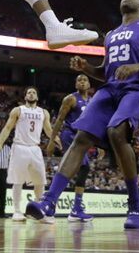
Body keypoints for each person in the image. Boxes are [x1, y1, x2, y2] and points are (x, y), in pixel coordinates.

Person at [26, 0, 139, 230]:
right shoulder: (111, 35)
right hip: (110, 89)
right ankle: (49, 202)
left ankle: (136, 205)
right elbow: (106, 72)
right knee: (81, 137)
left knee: (117, 132)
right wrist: (87, 67)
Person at [0, 87, 54, 221]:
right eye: (29, 92)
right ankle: (16, 211)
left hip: (35, 148)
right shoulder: (18, 110)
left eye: (34, 92)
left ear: (37, 97)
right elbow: (8, 127)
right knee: (17, 180)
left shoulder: (43, 112)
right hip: (19, 147)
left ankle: (39, 210)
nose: (31, 94)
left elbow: (49, 130)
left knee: (40, 181)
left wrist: (56, 139)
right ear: (25, 96)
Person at [47, 74, 95, 222]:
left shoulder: (92, 101)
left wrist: (98, 144)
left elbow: (93, 123)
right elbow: (60, 119)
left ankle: (72, 206)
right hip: (69, 135)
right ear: (76, 84)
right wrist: (51, 141)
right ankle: (72, 207)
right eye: (79, 80)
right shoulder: (71, 99)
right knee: (82, 167)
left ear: (89, 84)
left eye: (84, 80)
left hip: (83, 137)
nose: (82, 82)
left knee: (81, 169)